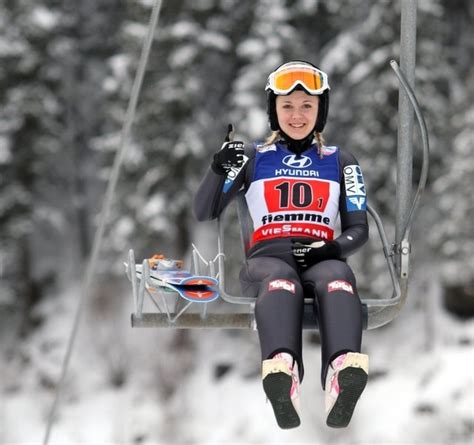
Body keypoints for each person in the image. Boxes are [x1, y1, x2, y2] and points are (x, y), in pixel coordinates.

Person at [193, 60, 369, 429]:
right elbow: (204, 210)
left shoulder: (341, 161)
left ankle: (342, 372)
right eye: (287, 106)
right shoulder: (254, 158)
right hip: (268, 258)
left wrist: (333, 249)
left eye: (307, 106)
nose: (297, 115)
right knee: (281, 284)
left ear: (321, 111)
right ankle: (282, 371)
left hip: (320, 255)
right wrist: (218, 168)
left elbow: (358, 228)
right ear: (273, 109)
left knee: (338, 279)